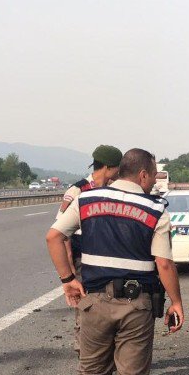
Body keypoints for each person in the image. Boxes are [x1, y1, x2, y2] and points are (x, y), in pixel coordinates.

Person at [46, 148, 184, 375]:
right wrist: (177, 302)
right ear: (143, 175)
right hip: (136, 306)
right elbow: (163, 263)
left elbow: (54, 236)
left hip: (93, 302)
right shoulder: (155, 210)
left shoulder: (88, 200)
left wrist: (68, 280)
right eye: (152, 175)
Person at [58, 145, 122, 354]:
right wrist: (68, 270)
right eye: (117, 168)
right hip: (83, 257)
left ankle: (106, 352)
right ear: (108, 167)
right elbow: (61, 232)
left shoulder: (115, 189)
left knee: (109, 305)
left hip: (109, 256)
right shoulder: (78, 190)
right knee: (86, 305)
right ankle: (84, 351)